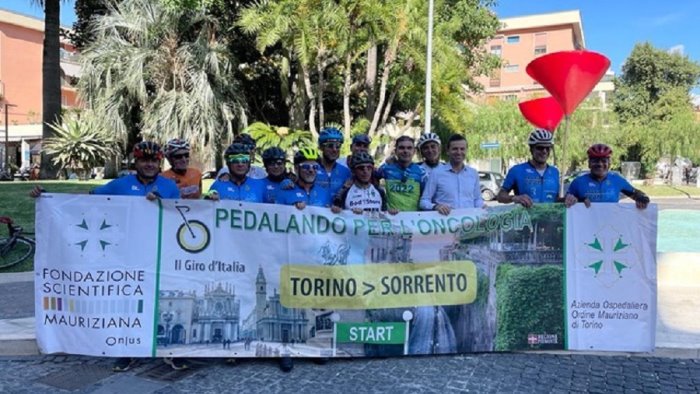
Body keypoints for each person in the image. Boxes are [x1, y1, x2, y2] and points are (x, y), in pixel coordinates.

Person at [29, 141, 183, 372]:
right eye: (144, 160)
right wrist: (49, 197)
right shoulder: (120, 184)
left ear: (159, 162)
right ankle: (126, 350)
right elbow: (84, 199)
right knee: (128, 302)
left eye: (153, 160)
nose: (149, 164)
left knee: (159, 301)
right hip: (126, 254)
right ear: (136, 162)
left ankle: (167, 350)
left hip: (159, 251)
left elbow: (180, 214)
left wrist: (163, 203)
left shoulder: (170, 186)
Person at [565, 143, 650, 209]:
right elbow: (564, 202)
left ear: (609, 164)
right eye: (595, 161)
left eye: (604, 161)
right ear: (589, 163)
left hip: (610, 227)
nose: (600, 164)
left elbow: (635, 193)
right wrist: (576, 200)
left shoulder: (617, 180)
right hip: (586, 228)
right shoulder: (578, 182)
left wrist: (642, 197)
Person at [419, 134, 484, 215]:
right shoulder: (436, 173)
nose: (459, 152)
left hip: (469, 224)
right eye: (455, 149)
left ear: (466, 150)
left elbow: (477, 199)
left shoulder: (473, 173)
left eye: (462, 149)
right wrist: (436, 206)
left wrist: (482, 206)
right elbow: (424, 201)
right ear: (447, 151)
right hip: (446, 223)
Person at [497, 129, 561, 208]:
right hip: (526, 219)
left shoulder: (555, 172)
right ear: (531, 149)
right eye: (540, 147)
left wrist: (568, 199)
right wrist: (515, 198)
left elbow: (556, 200)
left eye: (548, 148)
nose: (544, 151)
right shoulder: (517, 171)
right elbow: (500, 196)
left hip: (550, 219)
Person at [332, 152, 397, 215]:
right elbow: (336, 214)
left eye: (369, 168)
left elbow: (384, 215)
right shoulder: (344, 192)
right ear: (353, 171)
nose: (365, 171)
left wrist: (391, 213)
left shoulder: (380, 191)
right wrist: (351, 213)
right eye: (361, 168)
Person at [376, 136, 426, 211]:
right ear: (395, 151)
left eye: (409, 148)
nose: (405, 151)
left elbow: (425, 197)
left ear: (414, 151)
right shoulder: (386, 168)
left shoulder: (422, 171)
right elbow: (369, 178)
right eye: (401, 148)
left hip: (414, 219)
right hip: (392, 218)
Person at [315, 127, 351, 198]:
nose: (334, 150)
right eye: (330, 146)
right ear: (321, 147)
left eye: (338, 146)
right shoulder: (311, 169)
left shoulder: (346, 172)